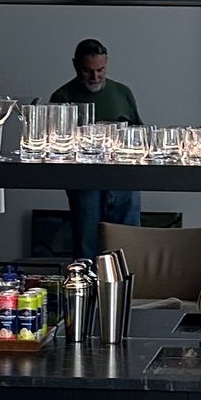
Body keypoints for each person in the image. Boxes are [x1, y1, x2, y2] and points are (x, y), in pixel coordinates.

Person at [51, 39, 143, 259]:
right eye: (87, 71)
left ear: (107, 64)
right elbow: (54, 145)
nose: (95, 77)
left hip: (124, 180)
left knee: (128, 242)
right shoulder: (62, 97)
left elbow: (139, 135)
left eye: (100, 70)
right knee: (87, 245)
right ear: (75, 66)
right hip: (84, 181)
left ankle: (129, 290)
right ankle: (87, 291)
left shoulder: (123, 93)